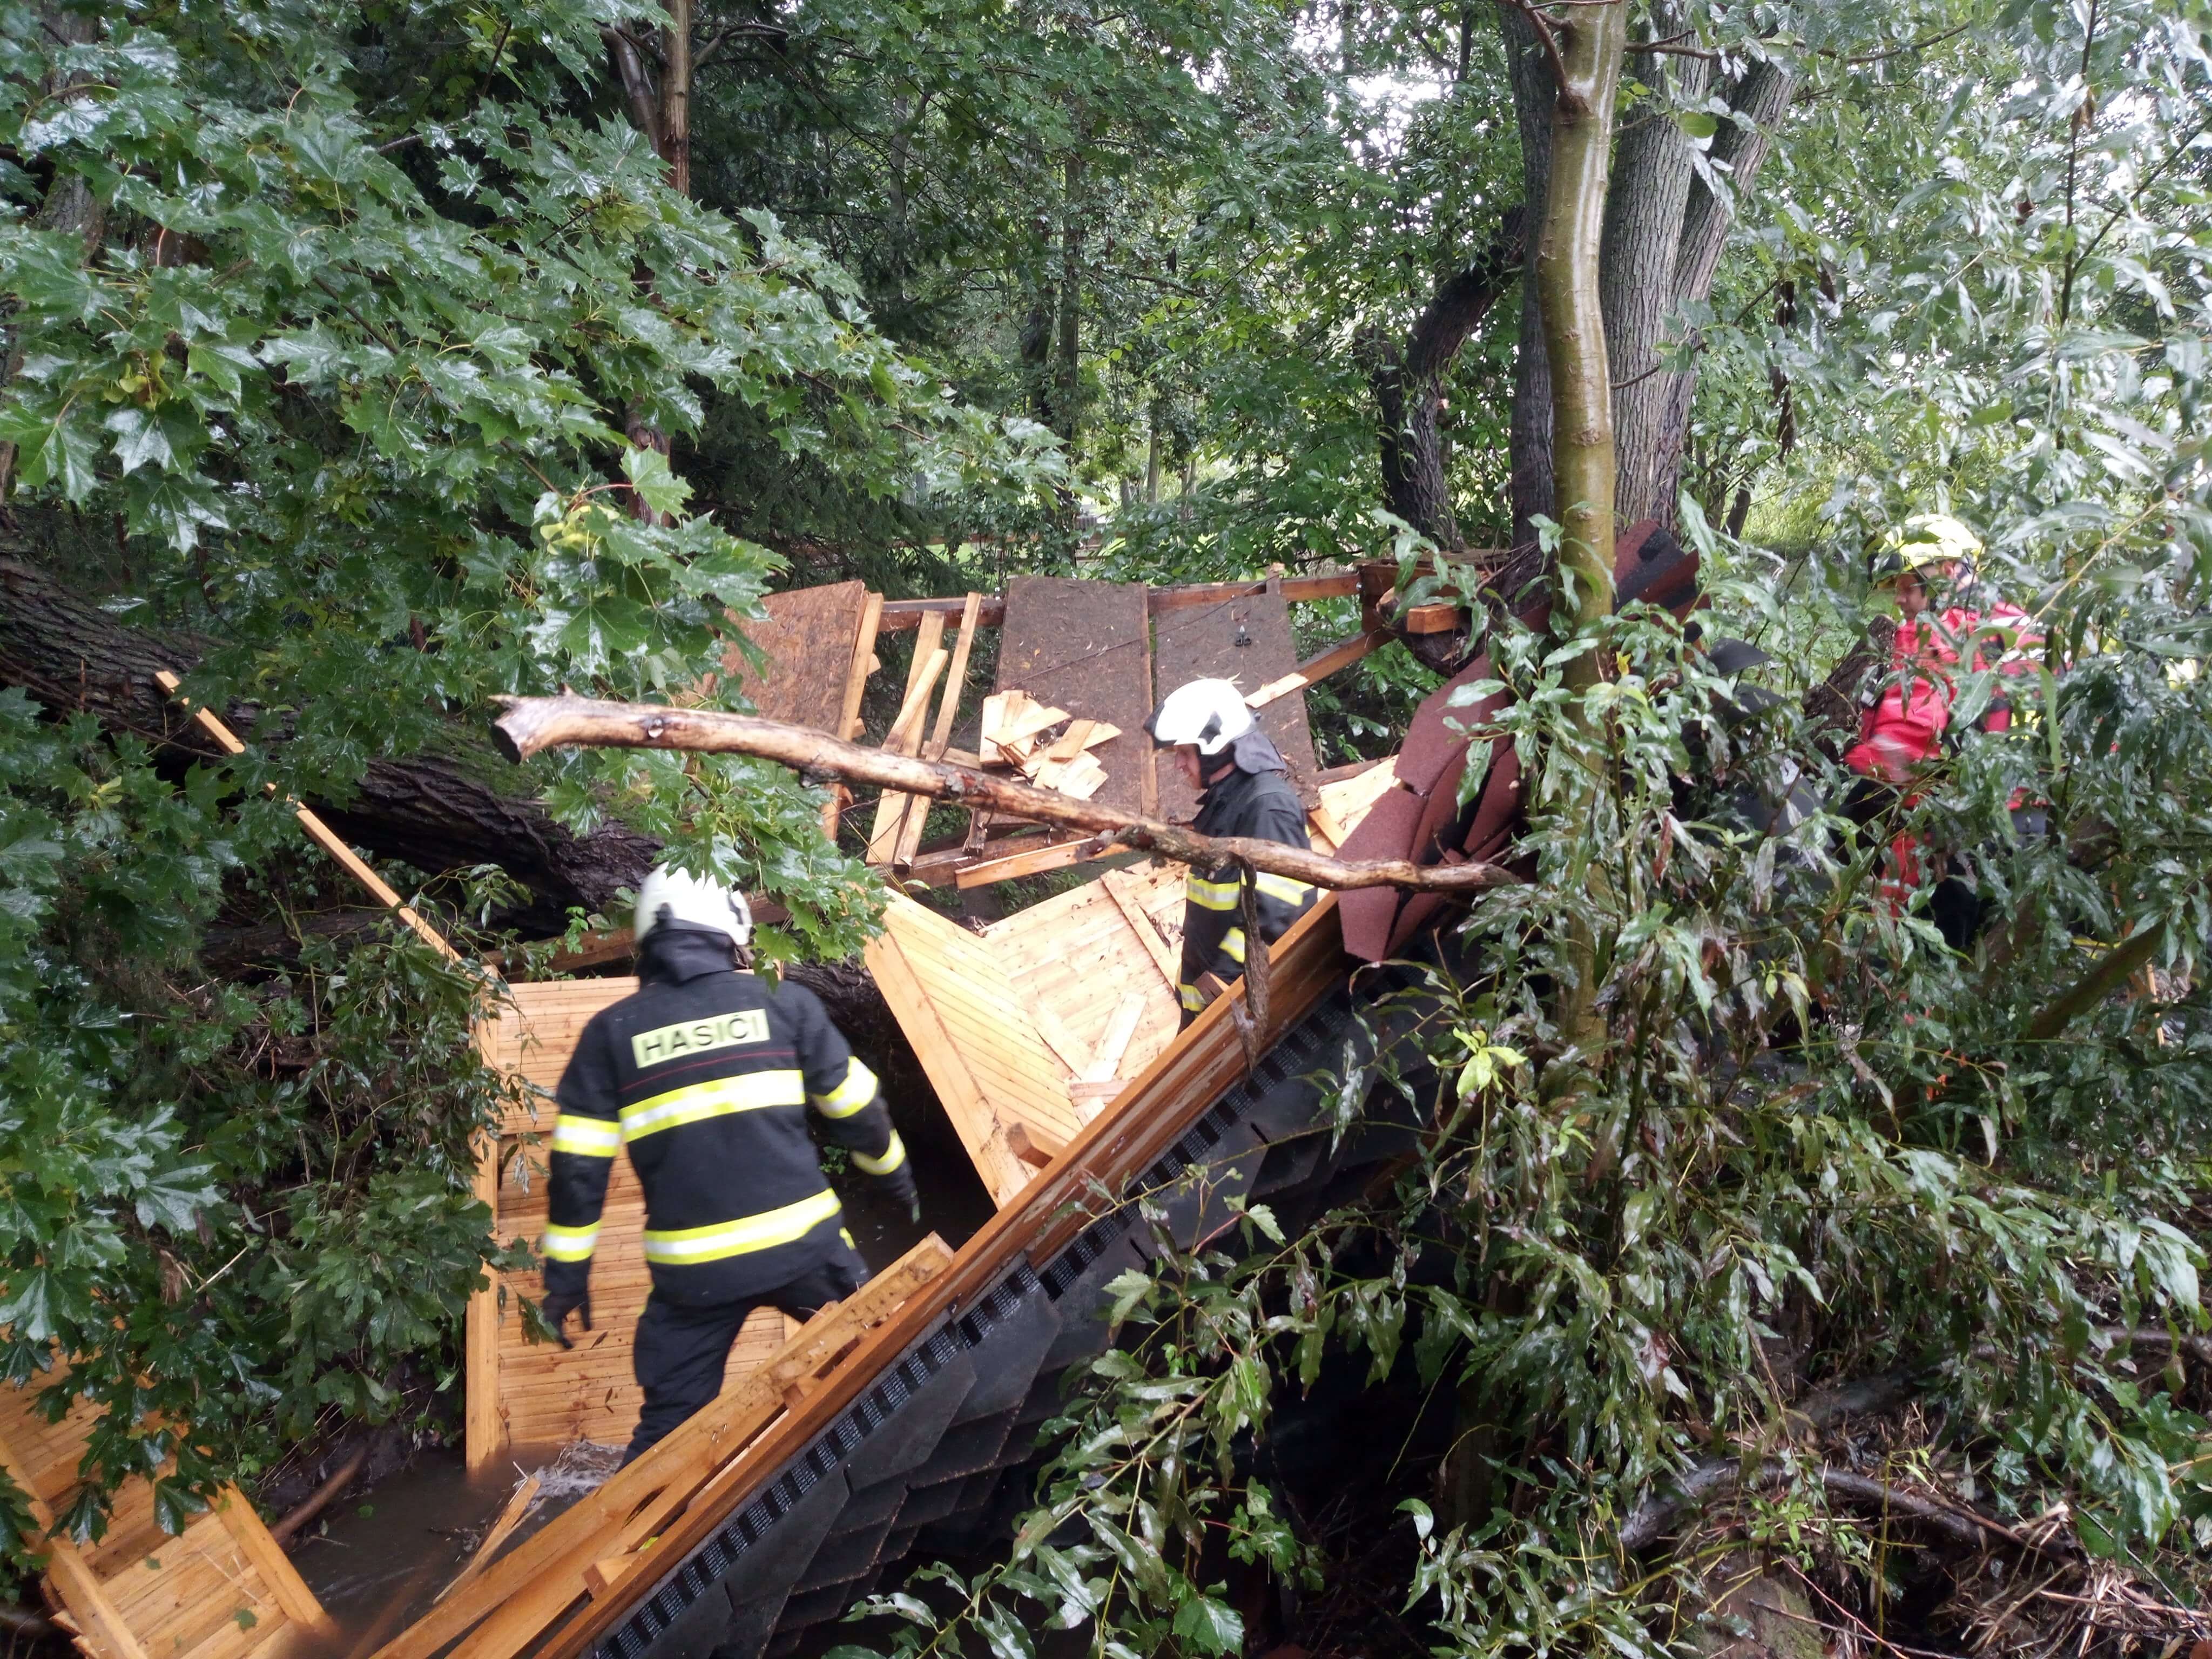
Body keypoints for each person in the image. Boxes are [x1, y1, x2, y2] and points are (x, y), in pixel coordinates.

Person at [538, 865, 918, 1462]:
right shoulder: (784, 1004)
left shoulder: (611, 1034)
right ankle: (906, 1459)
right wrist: (893, 1175)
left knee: (668, 1437)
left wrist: (565, 1279)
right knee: (882, 1361)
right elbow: (858, 1110)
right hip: (805, 1251)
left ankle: (645, 1539)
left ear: (647, 941)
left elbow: (577, 1171)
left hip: (694, 1281)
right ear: (730, 930)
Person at [1843, 513, 2040, 939]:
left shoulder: (1942, 634)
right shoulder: (2021, 625)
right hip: (2031, 823)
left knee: (1908, 946)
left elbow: (1905, 743)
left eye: (1907, 585)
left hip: (1957, 826)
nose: (1898, 600)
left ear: (1948, 572)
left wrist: (1855, 774)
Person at [1145, 678, 1318, 1027]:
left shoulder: (1268, 808)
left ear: (1215, 748)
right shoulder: (1226, 803)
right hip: (1207, 1002)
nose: (1178, 765)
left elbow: (1278, 917)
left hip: (1233, 1010)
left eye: (1184, 752)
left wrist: (1221, 988)